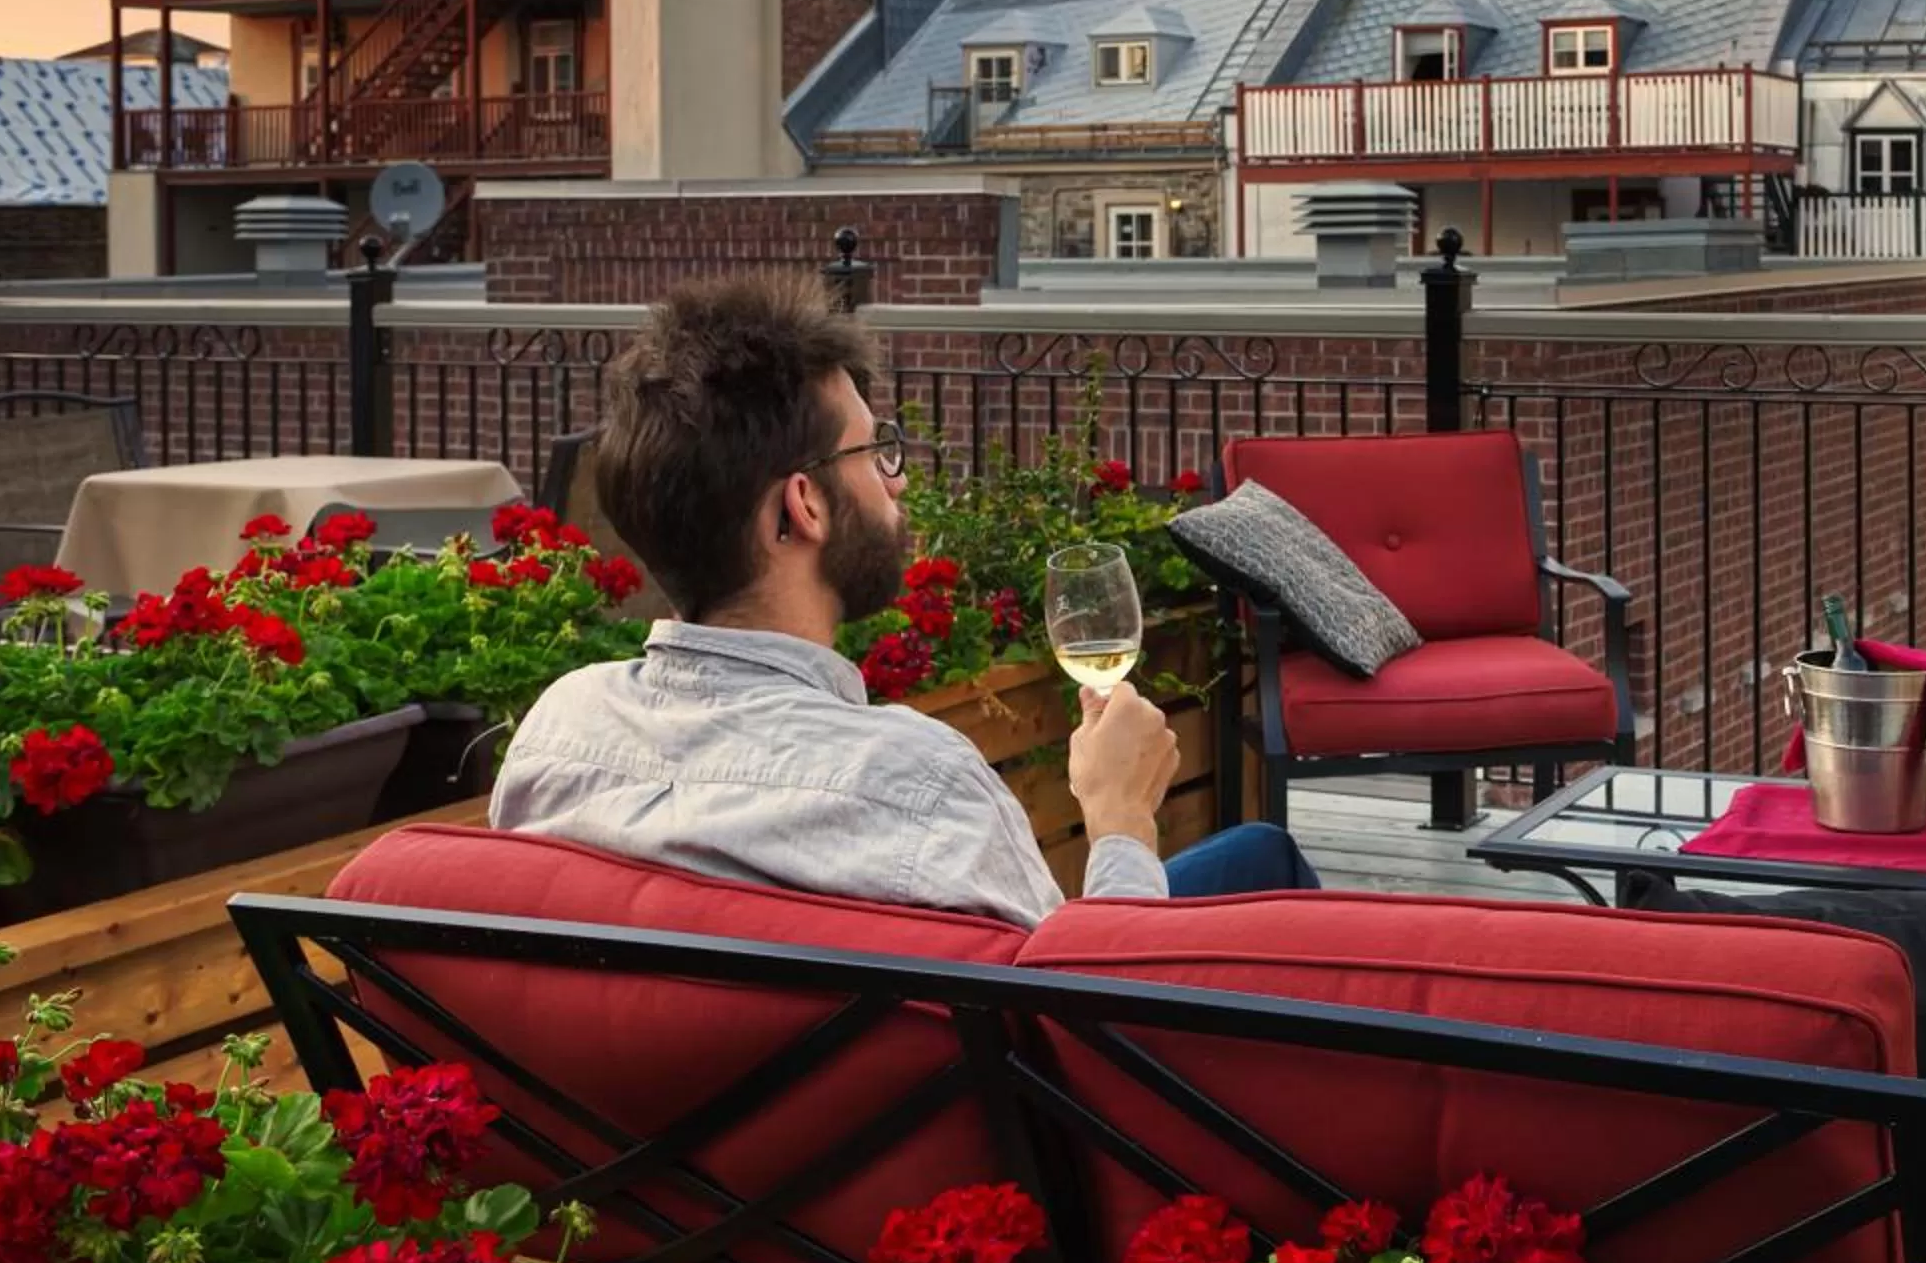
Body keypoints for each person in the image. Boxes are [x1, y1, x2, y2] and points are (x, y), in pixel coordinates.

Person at [491, 271, 1317, 921]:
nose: (897, 477)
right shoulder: (918, 782)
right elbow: (1095, 1034)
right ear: (804, 505)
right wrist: (1119, 816)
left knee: (1256, 855)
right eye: (876, 451)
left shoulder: (560, 733)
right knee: (1264, 874)